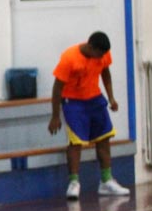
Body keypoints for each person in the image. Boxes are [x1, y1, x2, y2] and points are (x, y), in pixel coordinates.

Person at [48, 31, 130, 199]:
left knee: (104, 138)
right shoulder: (69, 58)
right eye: (99, 54)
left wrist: (111, 97)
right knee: (76, 142)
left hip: (94, 99)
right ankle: (74, 183)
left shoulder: (103, 55)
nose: (101, 58)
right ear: (91, 47)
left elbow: (106, 73)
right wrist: (55, 115)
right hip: (73, 102)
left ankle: (106, 181)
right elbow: (57, 88)